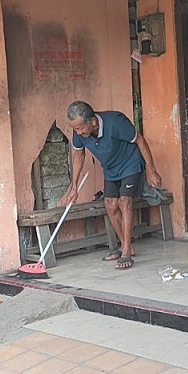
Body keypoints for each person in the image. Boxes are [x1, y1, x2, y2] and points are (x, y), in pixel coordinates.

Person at [59, 101, 162, 270]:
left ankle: (126, 251)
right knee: (110, 204)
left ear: (93, 122)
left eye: (79, 128)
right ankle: (126, 245)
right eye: (75, 129)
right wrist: (74, 186)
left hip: (130, 163)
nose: (77, 132)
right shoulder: (80, 131)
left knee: (124, 201)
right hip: (110, 168)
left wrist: (151, 171)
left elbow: (140, 141)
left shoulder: (116, 122)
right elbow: (79, 155)